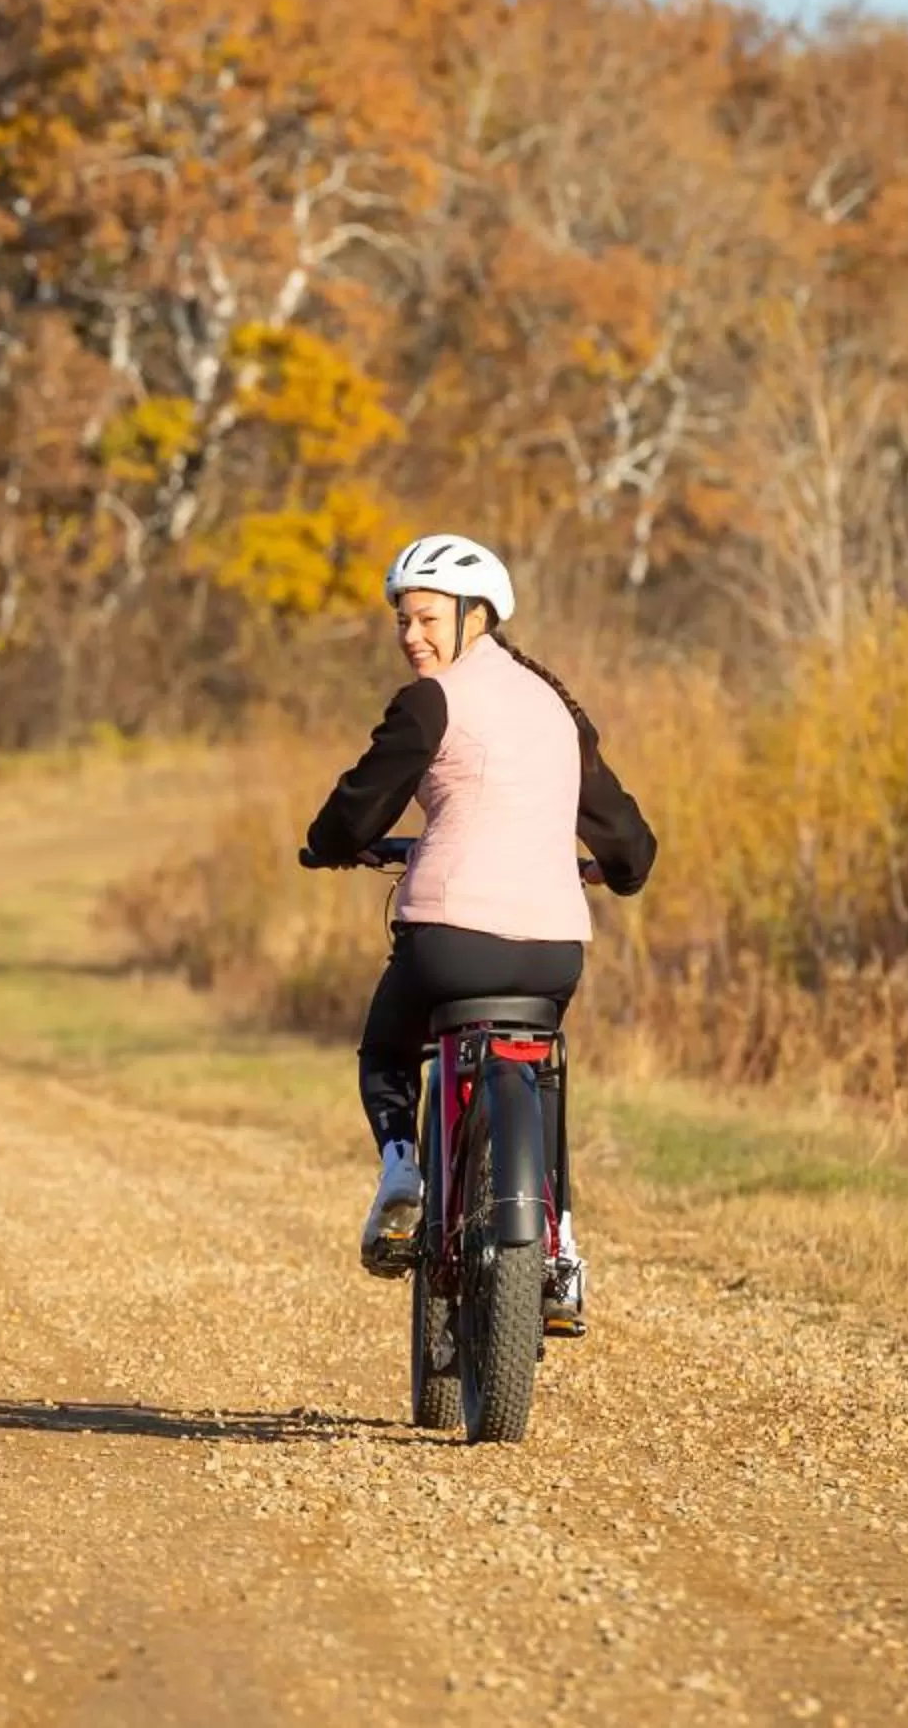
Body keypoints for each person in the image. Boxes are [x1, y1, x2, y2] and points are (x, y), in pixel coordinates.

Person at [296, 534, 655, 1324]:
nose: (412, 636)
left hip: (450, 945)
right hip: (555, 955)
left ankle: (401, 1172)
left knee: (386, 1050)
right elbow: (629, 844)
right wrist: (612, 874)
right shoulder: (556, 707)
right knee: (539, 1070)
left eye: (426, 618)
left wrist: (326, 848)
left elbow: (362, 802)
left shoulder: (434, 702)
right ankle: (555, 1243)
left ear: (476, 616)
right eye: (402, 621)